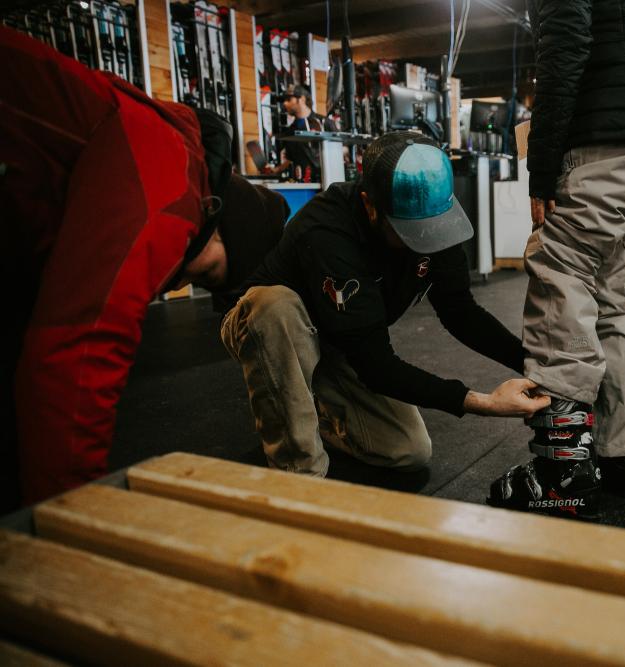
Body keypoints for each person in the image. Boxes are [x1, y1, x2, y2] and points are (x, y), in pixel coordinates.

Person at [0, 26, 288, 510]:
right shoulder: (170, 183)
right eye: (208, 273)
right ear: (214, 222)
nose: (177, 281)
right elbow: (80, 350)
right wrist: (75, 525)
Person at [222, 131, 548, 477]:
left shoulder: (438, 216)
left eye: (431, 230)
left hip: (341, 340)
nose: (423, 243)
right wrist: (485, 403)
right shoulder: (327, 230)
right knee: (275, 305)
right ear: (369, 205)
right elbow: (376, 364)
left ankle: (310, 411)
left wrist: (533, 365)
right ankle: (299, 476)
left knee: (409, 451)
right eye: (409, 231)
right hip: (267, 328)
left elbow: (460, 312)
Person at [487, 0, 625, 519]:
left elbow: (566, 44)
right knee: (612, 299)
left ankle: (561, 473)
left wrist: (543, 165)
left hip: (602, 134)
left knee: (562, 276)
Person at [266, 84, 334, 182]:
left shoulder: (323, 122)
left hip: (328, 181)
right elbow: (290, 158)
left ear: (301, 99)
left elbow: (344, 148)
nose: (285, 103)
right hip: (304, 184)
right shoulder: (291, 131)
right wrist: (276, 170)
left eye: (289, 99)